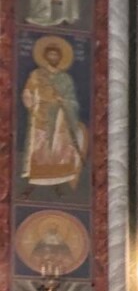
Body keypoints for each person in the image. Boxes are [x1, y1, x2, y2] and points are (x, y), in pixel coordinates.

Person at [21, 36, 87, 194]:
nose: (53, 57)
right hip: (41, 117)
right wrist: (32, 105)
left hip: (60, 119)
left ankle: (58, 182)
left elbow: (72, 100)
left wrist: (64, 101)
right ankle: (35, 182)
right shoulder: (37, 74)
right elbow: (28, 92)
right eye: (50, 54)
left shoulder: (65, 78)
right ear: (45, 56)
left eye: (56, 55)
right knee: (40, 148)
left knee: (59, 150)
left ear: (60, 57)